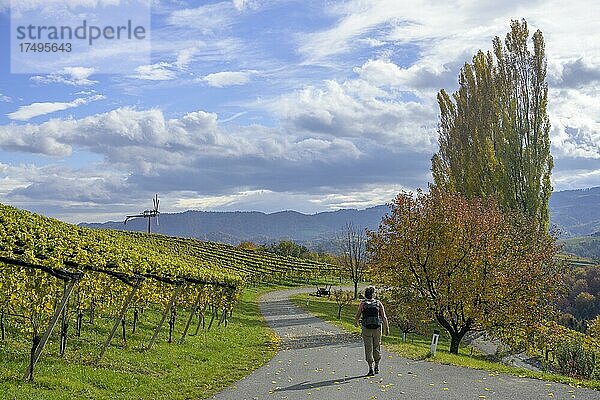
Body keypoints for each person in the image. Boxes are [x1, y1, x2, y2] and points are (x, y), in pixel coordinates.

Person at [354, 286, 389, 376]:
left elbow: (358, 315)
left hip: (366, 329)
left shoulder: (363, 303)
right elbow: (384, 317)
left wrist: (356, 323)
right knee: (376, 347)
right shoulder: (378, 303)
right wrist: (386, 329)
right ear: (373, 294)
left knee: (368, 348)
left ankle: (370, 368)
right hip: (377, 329)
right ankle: (376, 365)